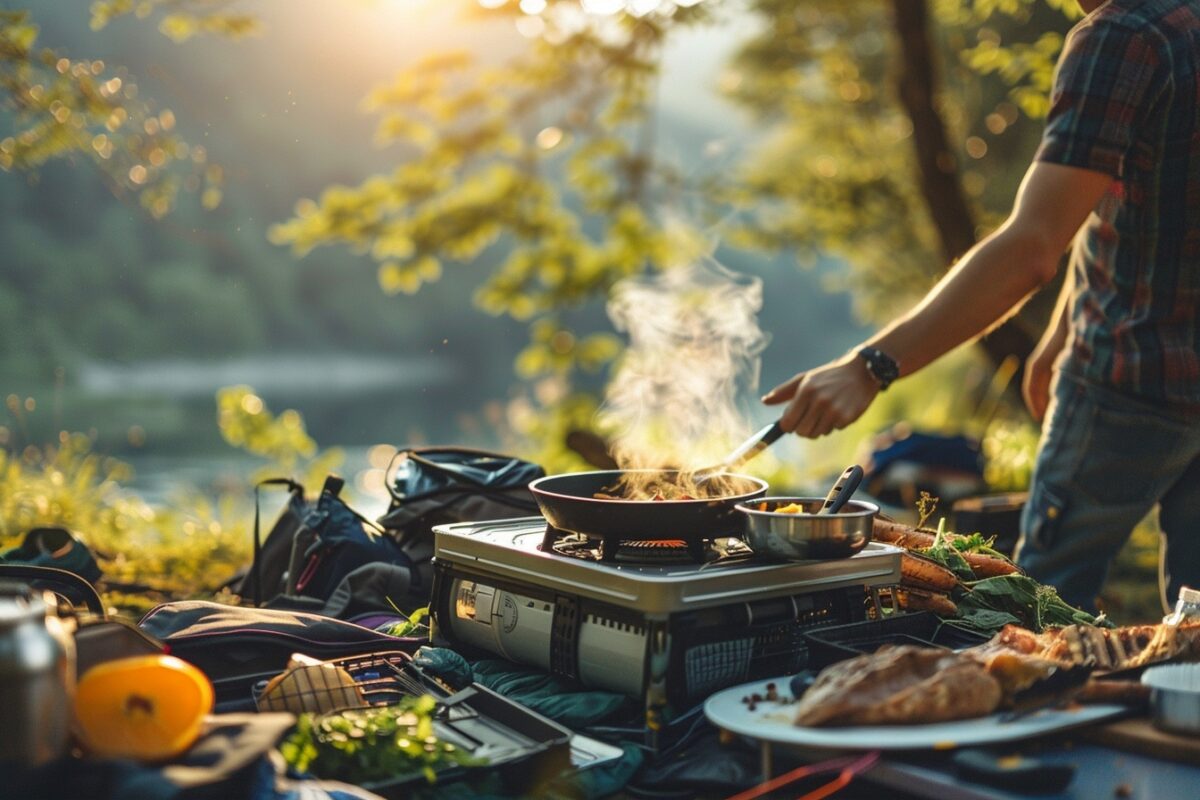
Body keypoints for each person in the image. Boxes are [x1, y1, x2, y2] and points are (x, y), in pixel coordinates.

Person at [762, 0, 1200, 612]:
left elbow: (1030, 248)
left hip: (1125, 383)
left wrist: (870, 367)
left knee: (1029, 608)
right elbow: (1131, 201)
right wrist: (1059, 334)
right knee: (1195, 628)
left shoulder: (1122, 37)